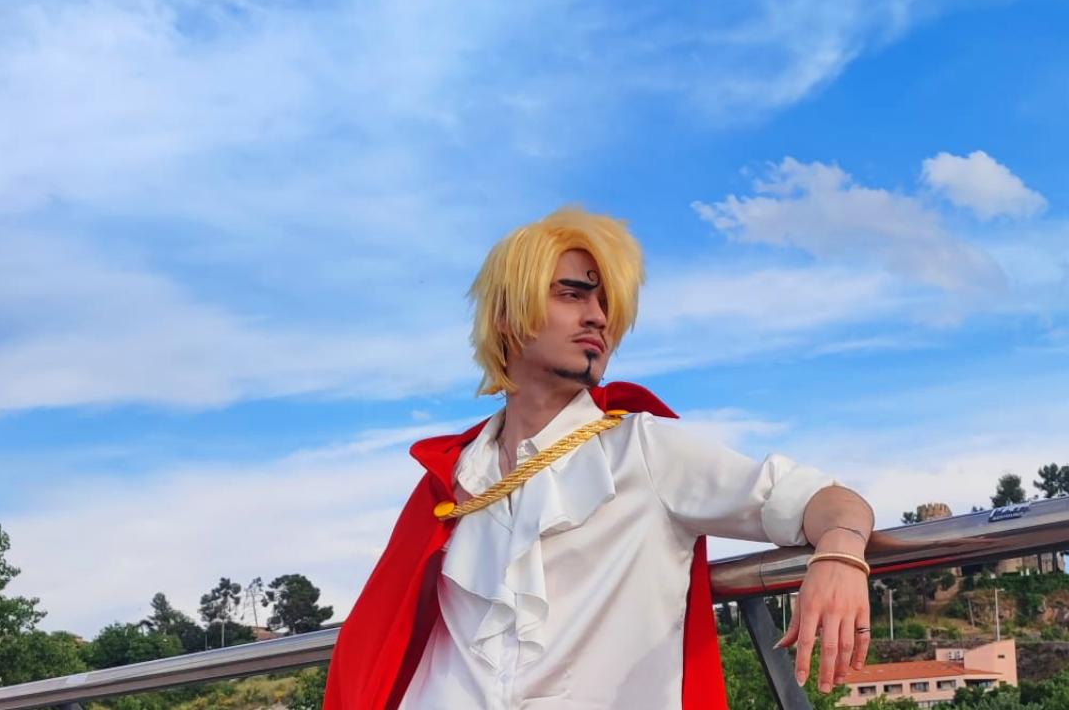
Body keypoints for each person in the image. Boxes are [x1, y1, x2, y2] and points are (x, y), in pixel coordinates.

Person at [324, 207, 875, 709]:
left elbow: (823, 500)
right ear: (507, 316)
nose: (598, 318)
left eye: (606, 304)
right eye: (572, 295)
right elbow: (380, 646)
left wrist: (841, 554)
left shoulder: (644, 449)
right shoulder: (453, 483)